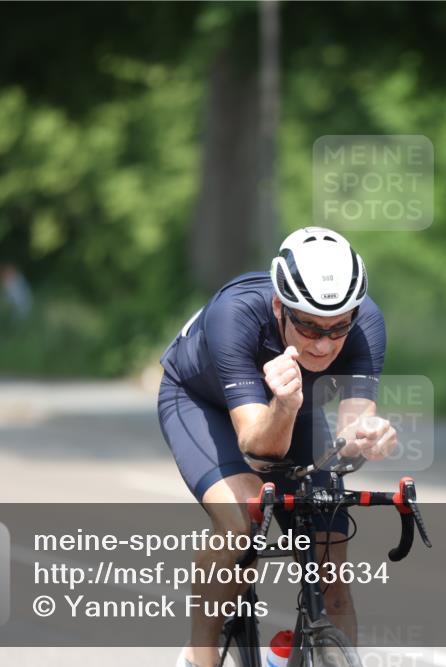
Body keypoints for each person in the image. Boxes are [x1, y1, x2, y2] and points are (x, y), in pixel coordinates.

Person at [157, 227, 397, 667]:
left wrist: (369, 439)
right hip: (202, 402)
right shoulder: (235, 314)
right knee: (243, 522)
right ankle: (199, 655)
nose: (323, 343)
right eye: (308, 325)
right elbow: (258, 450)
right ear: (278, 306)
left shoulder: (367, 323)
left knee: (330, 553)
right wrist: (284, 405)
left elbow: (349, 439)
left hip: (290, 406)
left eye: (338, 327)